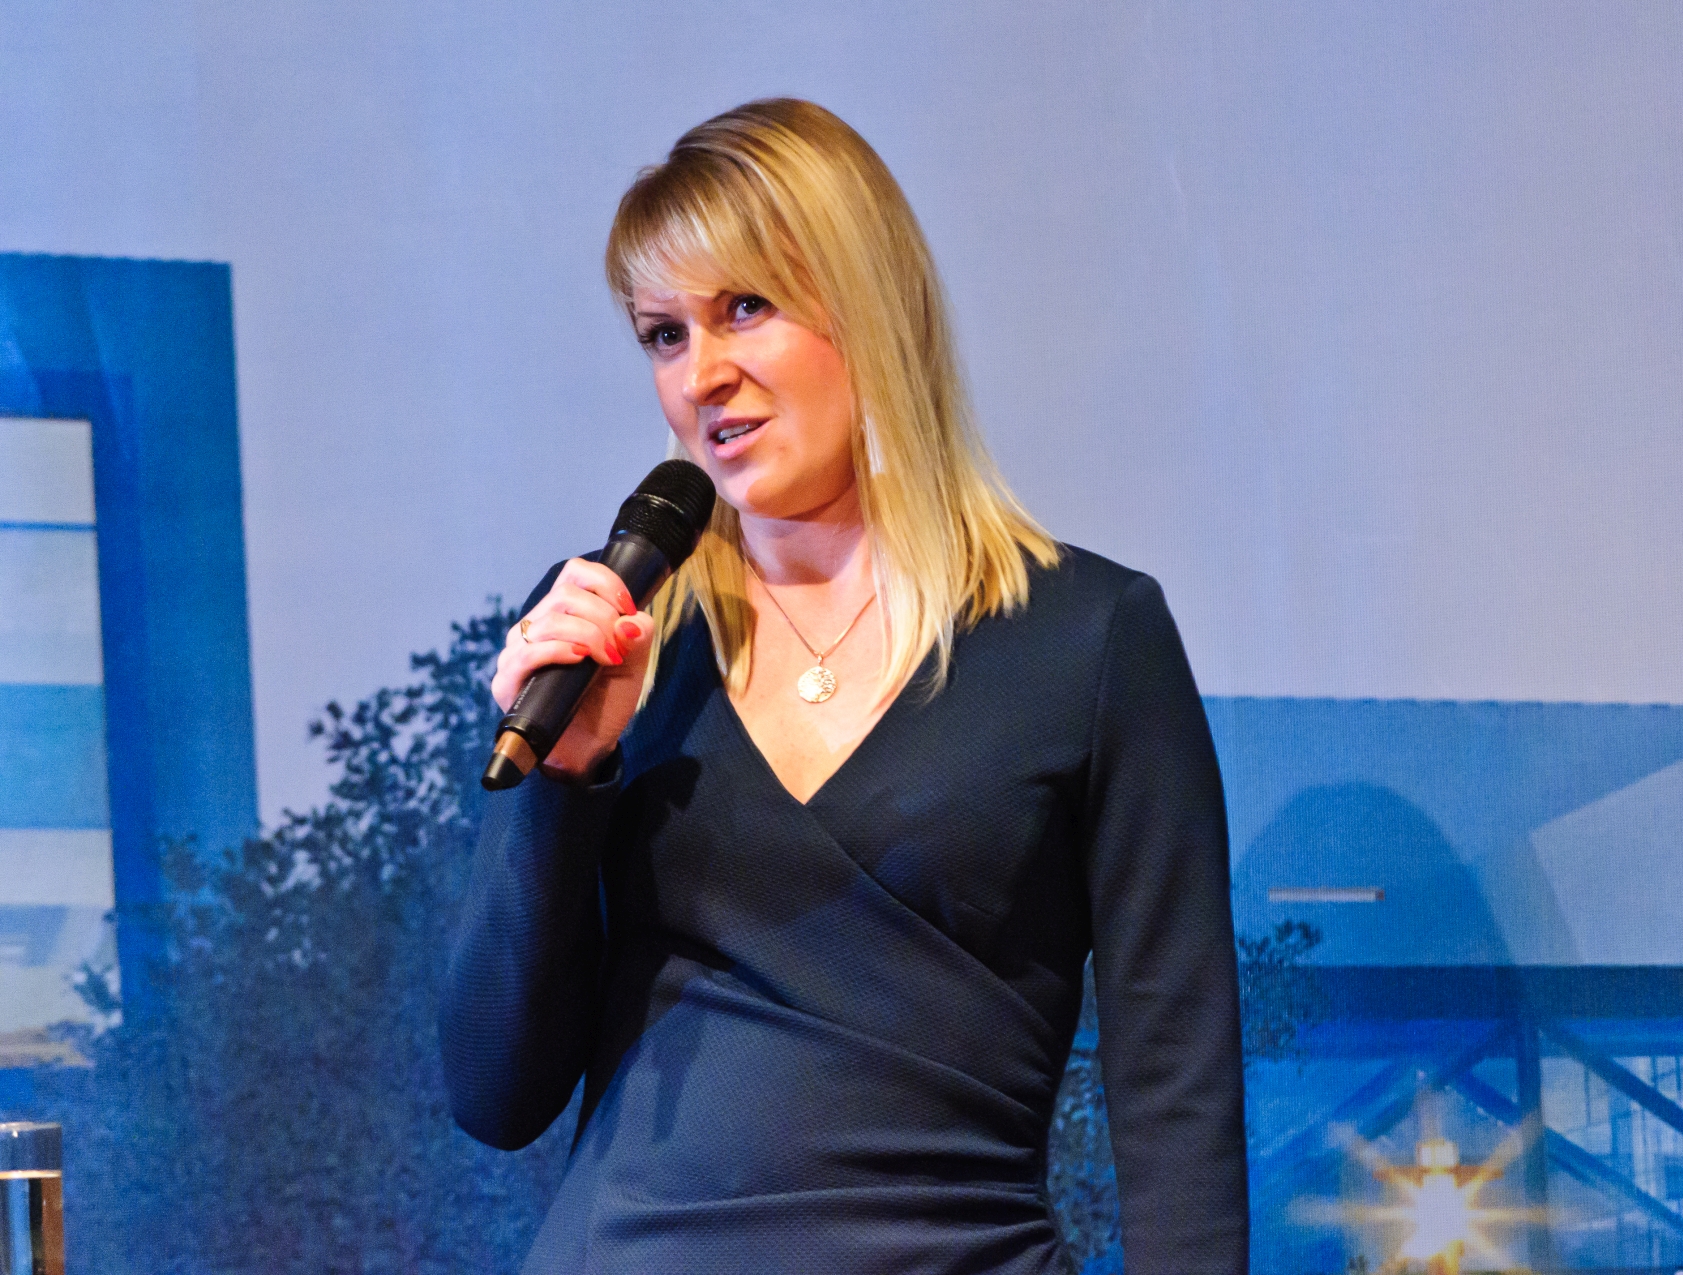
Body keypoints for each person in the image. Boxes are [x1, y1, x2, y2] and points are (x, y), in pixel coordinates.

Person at [439, 98, 1247, 1275]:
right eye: (664, 335)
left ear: (869, 305)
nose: (703, 376)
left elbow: (1178, 1092)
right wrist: (565, 784)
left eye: (745, 309)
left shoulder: (1090, 640)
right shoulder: (618, 637)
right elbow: (493, 1095)